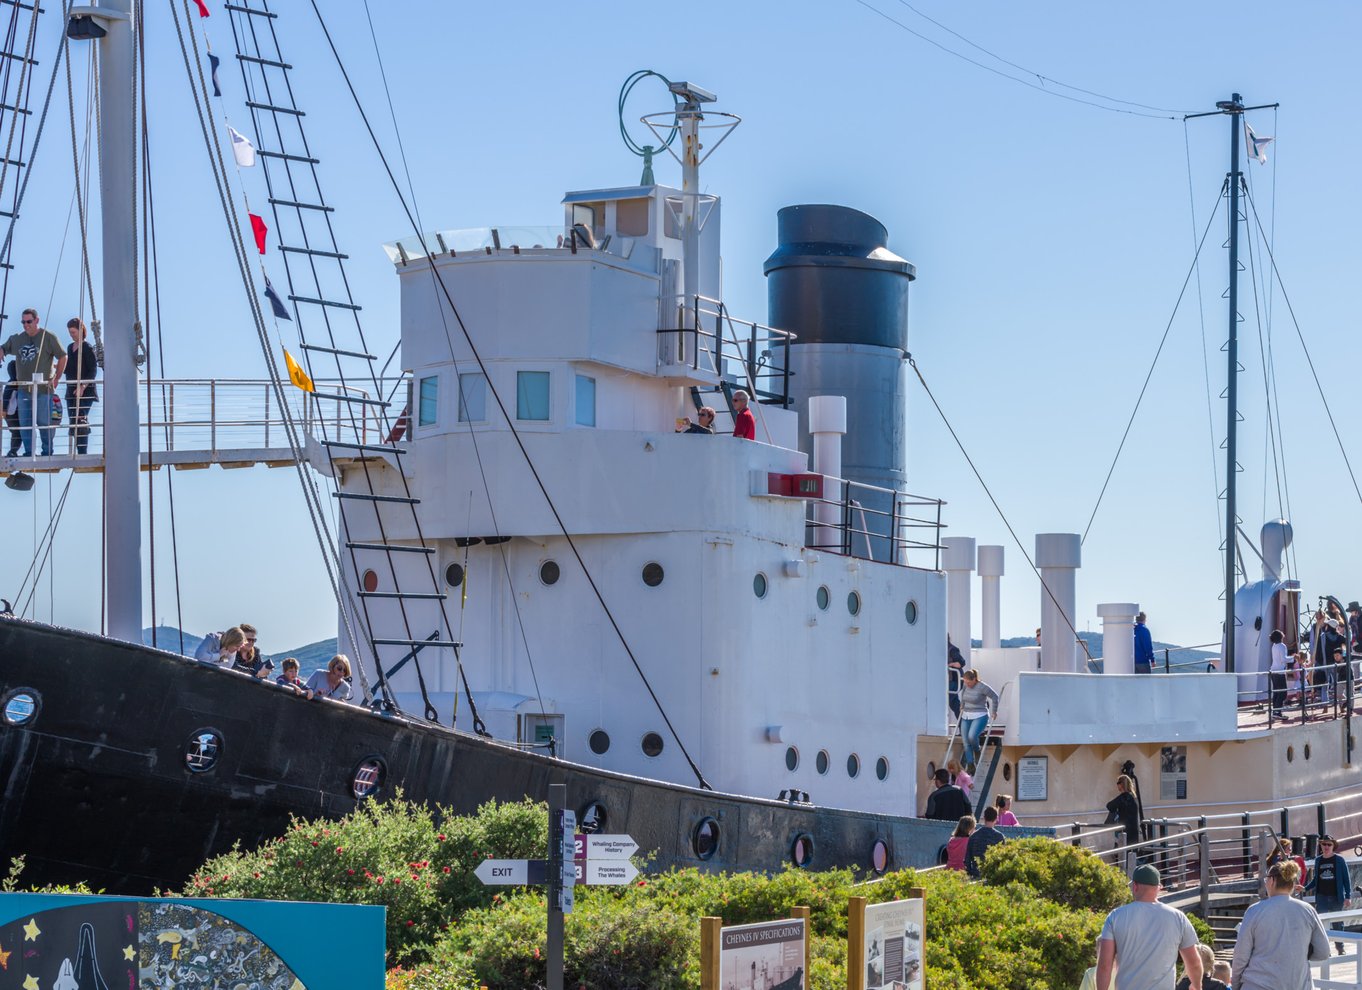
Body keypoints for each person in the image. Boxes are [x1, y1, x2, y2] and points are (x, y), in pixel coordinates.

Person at [1095, 863, 1201, 990]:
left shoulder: (1115, 916)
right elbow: (1193, 962)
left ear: (1134, 886)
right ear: (1159, 888)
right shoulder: (1178, 917)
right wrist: (1196, 985)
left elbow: (1104, 966)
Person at [1231, 860, 1330, 990]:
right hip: (1297, 984)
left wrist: (1236, 984)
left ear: (1272, 881)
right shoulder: (1308, 910)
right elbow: (1323, 952)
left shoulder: (1255, 911)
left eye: (1266, 878)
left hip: (1258, 984)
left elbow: (1241, 955)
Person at [0, 308, 66, 456]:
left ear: (37, 320)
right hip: (24, 389)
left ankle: (47, 452)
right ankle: (30, 452)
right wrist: (1, 351)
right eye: (23, 322)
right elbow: (4, 347)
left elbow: (62, 356)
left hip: (44, 390)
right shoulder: (17, 339)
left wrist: (57, 378)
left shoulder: (48, 337)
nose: (26, 325)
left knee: (44, 423)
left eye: (29, 321)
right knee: (25, 424)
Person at [63, 318, 98, 455]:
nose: (72, 335)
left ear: (81, 330)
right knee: (73, 420)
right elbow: (69, 368)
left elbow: (93, 370)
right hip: (71, 389)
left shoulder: (87, 347)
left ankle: (82, 452)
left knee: (80, 418)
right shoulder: (70, 348)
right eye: (70, 332)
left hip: (85, 390)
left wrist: (83, 386)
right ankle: (79, 451)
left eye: (73, 332)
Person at [957, 668, 999, 771]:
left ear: (974, 679)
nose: (967, 685)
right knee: (965, 741)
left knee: (972, 736)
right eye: (965, 682)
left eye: (969, 682)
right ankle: (971, 764)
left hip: (980, 715)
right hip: (966, 715)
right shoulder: (965, 685)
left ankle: (977, 750)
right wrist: (962, 705)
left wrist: (994, 711)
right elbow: (963, 695)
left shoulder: (982, 687)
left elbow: (995, 696)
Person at [1304, 834, 1352, 918]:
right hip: (1321, 898)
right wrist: (1305, 888)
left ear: (1333, 846)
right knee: (1321, 923)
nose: (1326, 847)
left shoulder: (1340, 860)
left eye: (1329, 844)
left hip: (1336, 898)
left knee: (1338, 924)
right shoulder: (1318, 860)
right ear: (1321, 845)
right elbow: (1316, 879)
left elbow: (1346, 879)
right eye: (1324, 844)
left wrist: (1348, 896)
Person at [965, 805, 1007, 878]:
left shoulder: (973, 836)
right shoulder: (1000, 837)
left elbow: (967, 859)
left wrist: (970, 873)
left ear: (984, 818)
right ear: (996, 818)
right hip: (992, 876)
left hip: (976, 874)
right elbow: (1003, 860)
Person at [1105, 774, 1141, 850]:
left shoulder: (1124, 797)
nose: (1117, 786)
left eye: (1118, 783)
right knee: (1132, 855)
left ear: (1121, 785)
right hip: (1134, 831)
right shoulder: (1134, 797)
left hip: (1125, 831)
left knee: (1124, 855)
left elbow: (1109, 806)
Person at [1268, 629, 1289, 715]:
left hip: (1273, 671)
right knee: (1283, 693)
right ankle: (1277, 711)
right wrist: (1293, 658)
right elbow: (1283, 659)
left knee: (1276, 692)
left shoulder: (1274, 646)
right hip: (1280, 672)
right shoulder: (1282, 646)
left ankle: (1275, 710)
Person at [3, 361, 20, 457]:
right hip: (10, 412)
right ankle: (12, 451)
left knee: (16, 432)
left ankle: (13, 451)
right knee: (17, 432)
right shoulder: (12, 383)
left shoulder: (12, 382)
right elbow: (6, 397)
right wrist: (4, 409)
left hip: (11, 412)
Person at [946, 638, 965, 719]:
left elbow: (962, 662)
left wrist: (950, 665)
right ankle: (963, 724)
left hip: (954, 680)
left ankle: (964, 723)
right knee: (954, 704)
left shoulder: (952, 649)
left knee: (950, 701)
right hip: (950, 681)